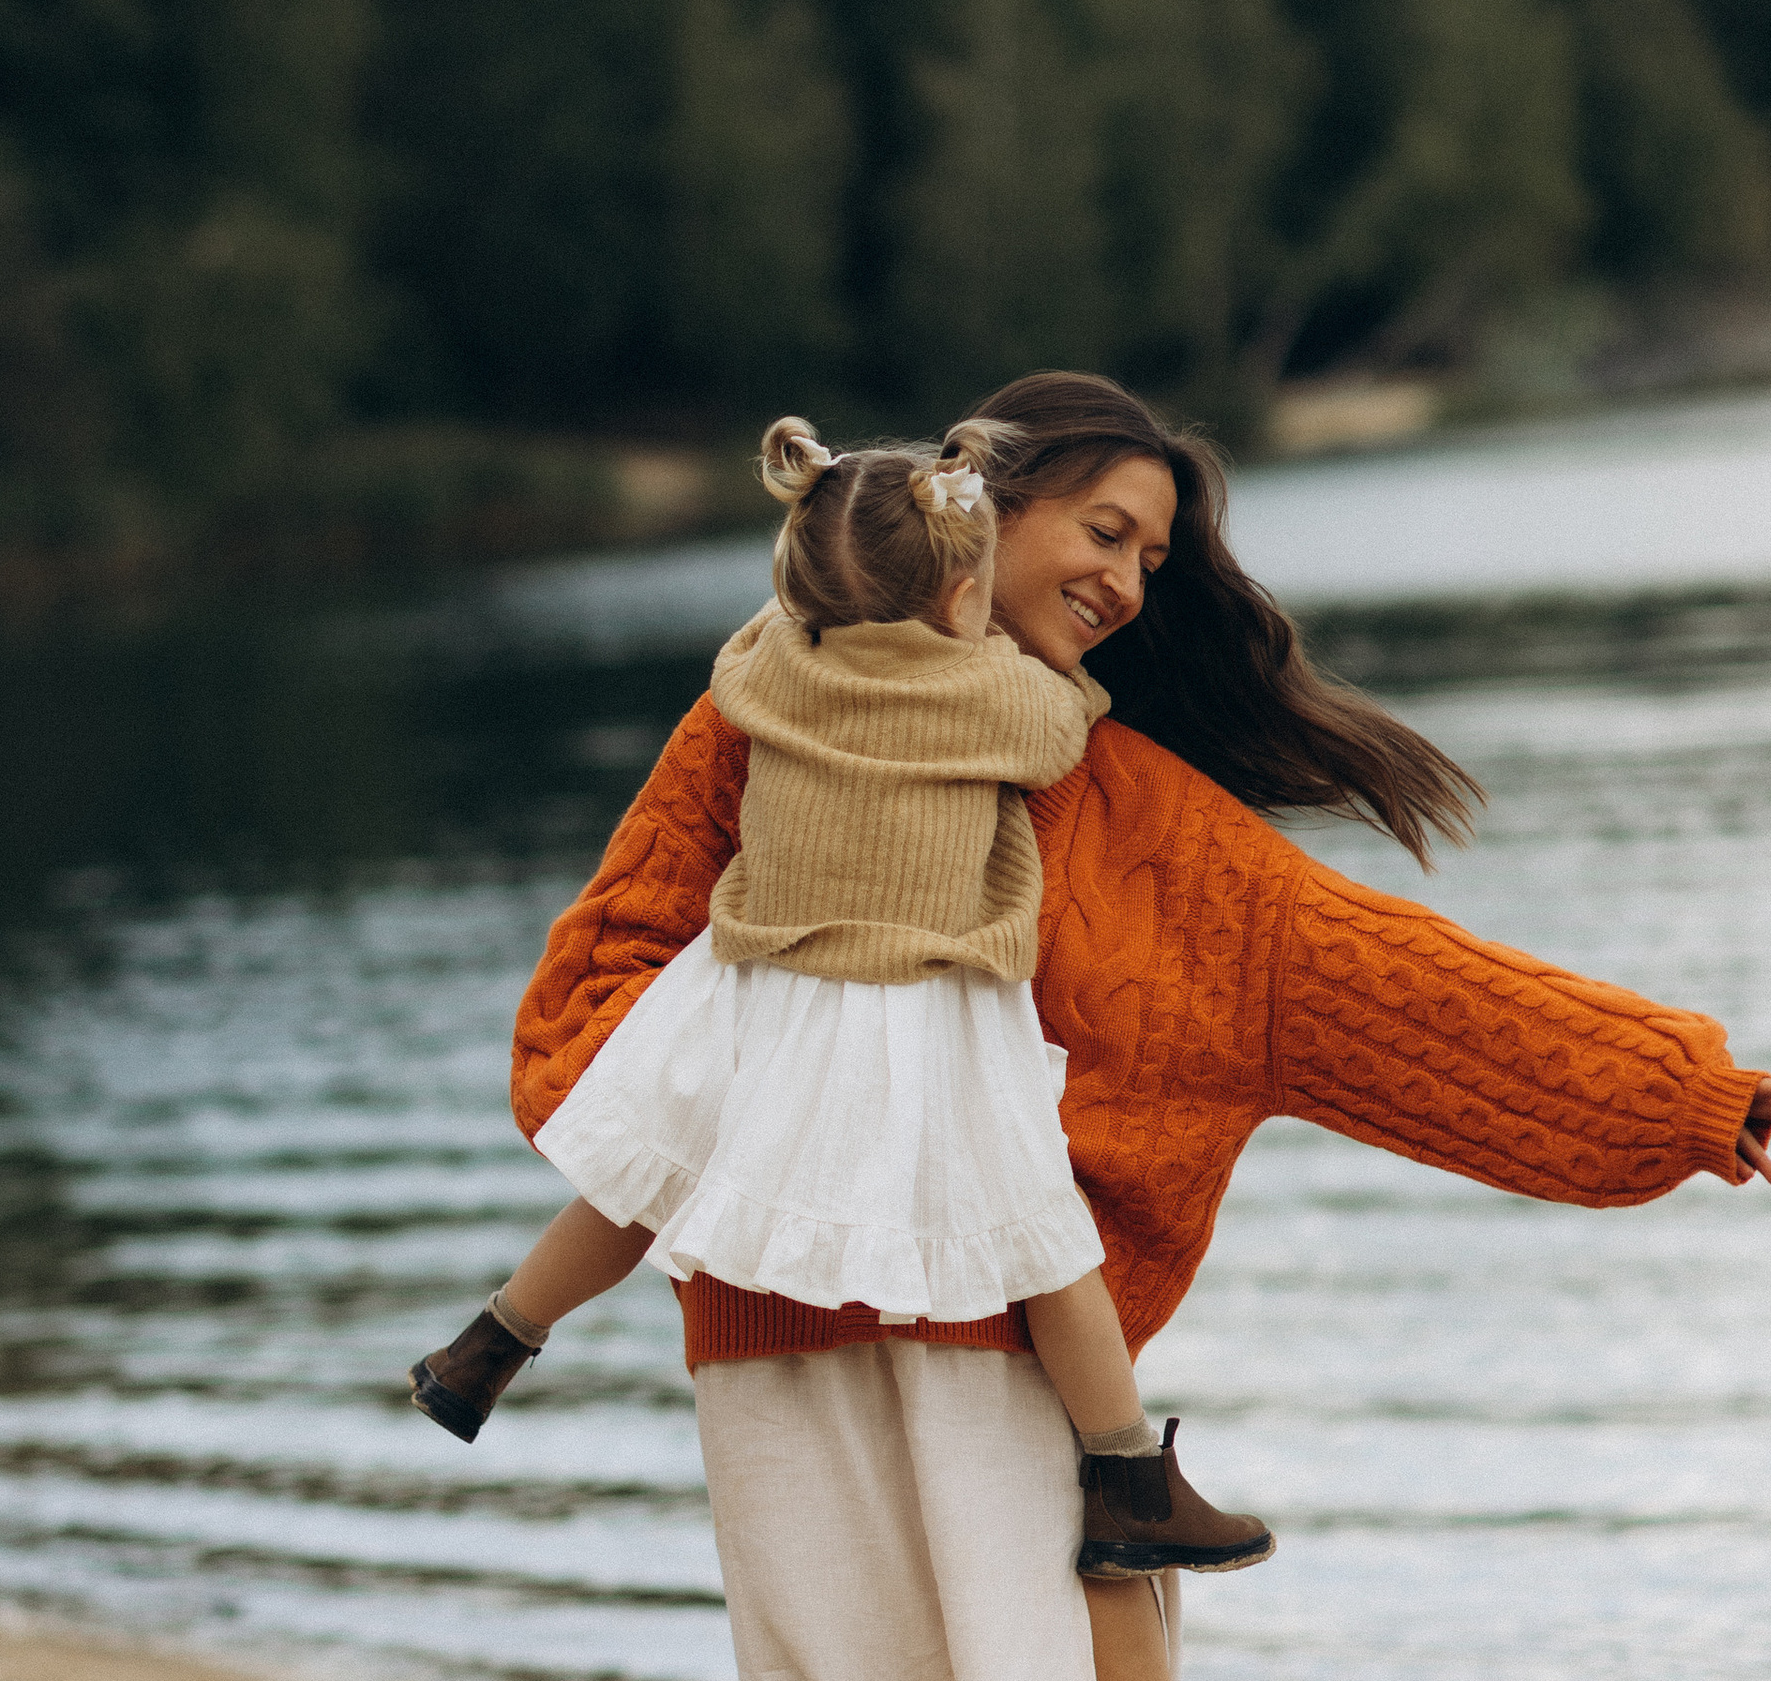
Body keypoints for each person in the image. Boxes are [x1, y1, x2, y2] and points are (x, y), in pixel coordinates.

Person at [506, 371, 1771, 1681]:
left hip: (1043, 1386)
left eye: (1149, 552)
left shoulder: (1147, 829)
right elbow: (591, 989)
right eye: (1095, 531)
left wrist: (1679, 1093)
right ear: (976, 506)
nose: (1120, 580)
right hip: (773, 1356)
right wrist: (768, 1050)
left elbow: (1393, 988)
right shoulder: (755, 719)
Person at [408, 413, 1271, 1578]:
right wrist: (1004, 660)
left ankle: (489, 1344)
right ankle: (1126, 1476)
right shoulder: (992, 701)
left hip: (752, 982)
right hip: (915, 998)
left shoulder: (767, 670)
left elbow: (761, 647)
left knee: (641, 1179)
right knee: (1048, 1246)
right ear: (965, 593)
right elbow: (1071, 726)